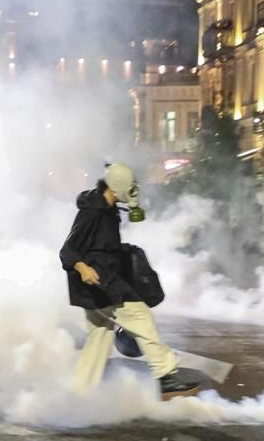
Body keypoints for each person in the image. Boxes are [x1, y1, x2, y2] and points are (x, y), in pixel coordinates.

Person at [59, 163, 201, 399]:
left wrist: (126, 248)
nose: (135, 189)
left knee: (99, 336)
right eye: (131, 185)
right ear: (117, 186)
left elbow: (104, 244)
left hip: (101, 284)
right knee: (141, 317)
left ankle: (78, 394)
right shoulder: (92, 212)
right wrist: (82, 267)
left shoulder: (109, 208)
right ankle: (165, 375)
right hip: (100, 284)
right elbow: (67, 250)